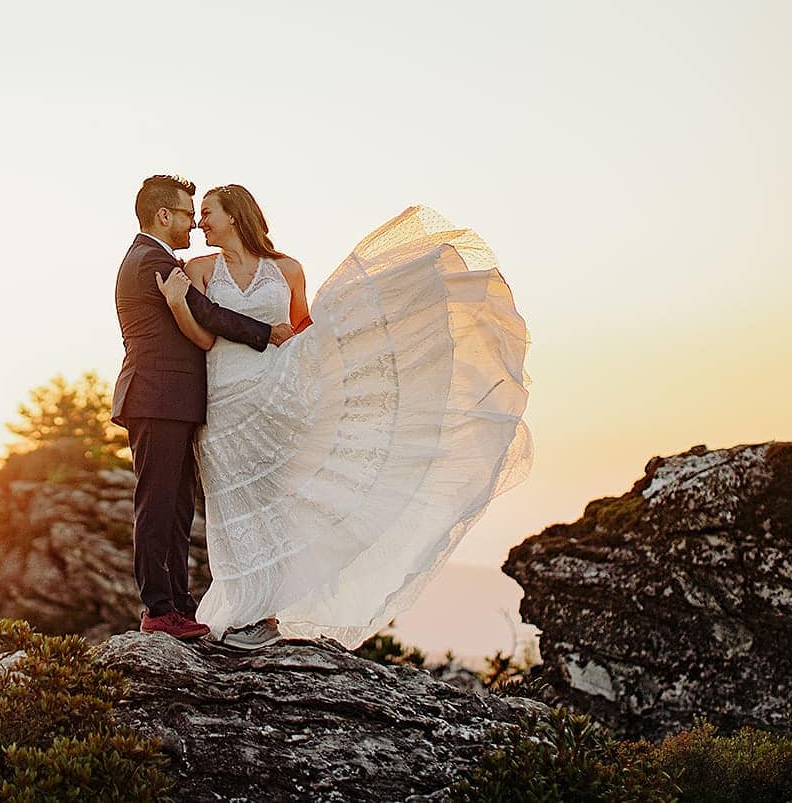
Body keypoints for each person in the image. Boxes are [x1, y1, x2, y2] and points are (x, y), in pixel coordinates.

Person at [157, 185, 532, 651]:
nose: (199, 223)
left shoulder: (288, 269)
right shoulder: (199, 270)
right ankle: (240, 614)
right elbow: (204, 338)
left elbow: (301, 331)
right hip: (226, 401)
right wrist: (177, 304)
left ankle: (265, 613)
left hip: (276, 397)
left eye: (208, 213)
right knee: (232, 505)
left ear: (235, 215)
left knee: (273, 503)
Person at [111, 174, 295, 640]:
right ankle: (158, 609)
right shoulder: (151, 259)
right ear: (163, 215)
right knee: (157, 506)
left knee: (175, 509)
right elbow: (208, 315)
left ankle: (178, 607)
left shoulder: (155, 258)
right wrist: (265, 332)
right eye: (188, 214)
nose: (193, 224)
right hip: (157, 397)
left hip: (172, 401)